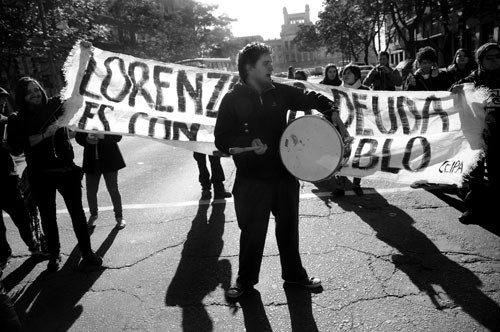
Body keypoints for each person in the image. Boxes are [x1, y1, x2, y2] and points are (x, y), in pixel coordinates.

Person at [214, 42, 348, 298]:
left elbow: (312, 97)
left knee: (288, 228)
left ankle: (295, 275)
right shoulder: (232, 99)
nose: (271, 67)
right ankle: (245, 282)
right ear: (249, 67)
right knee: (252, 233)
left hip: (284, 174)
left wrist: (332, 112)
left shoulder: (279, 92)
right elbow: (221, 138)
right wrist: (247, 145)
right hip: (251, 180)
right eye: (266, 63)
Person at [7, 77, 102, 272]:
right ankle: (54, 253)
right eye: (29, 92)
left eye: (37, 89)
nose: (35, 94)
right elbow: (15, 149)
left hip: (66, 170)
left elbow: (77, 93)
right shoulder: (17, 119)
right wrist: (43, 135)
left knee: (77, 213)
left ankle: (87, 251)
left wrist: (83, 56)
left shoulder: (55, 105)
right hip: (40, 175)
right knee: (48, 217)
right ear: (22, 97)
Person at [453, 42, 500, 225]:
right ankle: (473, 209)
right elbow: (453, 94)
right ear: (480, 60)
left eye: (498, 57)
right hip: (477, 135)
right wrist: (455, 90)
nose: (495, 61)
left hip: (498, 136)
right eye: (490, 58)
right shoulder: (471, 81)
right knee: (475, 175)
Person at [1, 87, 47, 269]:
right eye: (0, 100)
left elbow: (16, 147)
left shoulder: (7, 121)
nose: (3, 103)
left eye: (4, 100)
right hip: (6, 175)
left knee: (21, 215)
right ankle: (4, 252)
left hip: (7, 176)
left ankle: (34, 245)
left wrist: (10, 146)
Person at [75, 131, 126, 229]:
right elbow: (79, 138)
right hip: (91, 162)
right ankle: (93, 215)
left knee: (113, 190)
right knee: (91, 191)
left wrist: (103, 136)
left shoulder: (108, 117)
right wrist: (87, 139)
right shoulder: (86, 119)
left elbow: (118, 136)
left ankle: (119, 217)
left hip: (109, 160)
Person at [332, 64, 367, 197]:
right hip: (344, 129)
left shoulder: (366, 90)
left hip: (360, 130)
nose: (345, 75)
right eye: (344, 73)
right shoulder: (338, 91)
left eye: (349, 73)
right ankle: (340, 186)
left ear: (357, 76)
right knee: (343, 157)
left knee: (358, 157)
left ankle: (356, 184)